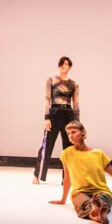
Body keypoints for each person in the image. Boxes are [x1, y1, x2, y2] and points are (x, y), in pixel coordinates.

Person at [49, 121, 112, 224]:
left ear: (83, 132)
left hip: (101, 191)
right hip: (80, 192)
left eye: (73, 132)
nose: (70, 136)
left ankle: (95, 213)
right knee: (86, 203)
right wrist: (63, 200)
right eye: (68, 133)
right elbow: (67, 179)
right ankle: (99, 213)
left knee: (102, 200)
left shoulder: (98, 154)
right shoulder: (67, 153)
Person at [34, 56, 80, 184]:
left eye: (67, 64)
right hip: (54, 113)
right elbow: (47, 99)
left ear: (70, 67)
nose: (64, 66)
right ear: (59, 65)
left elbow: (76, 104)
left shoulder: (74, 84)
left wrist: (77, 122)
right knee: (47, 144)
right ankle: (37, 175)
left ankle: (67, 179)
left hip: (68, 114)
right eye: (62, 64)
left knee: (69, 148)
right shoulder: (51, 80)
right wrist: (46, 117)